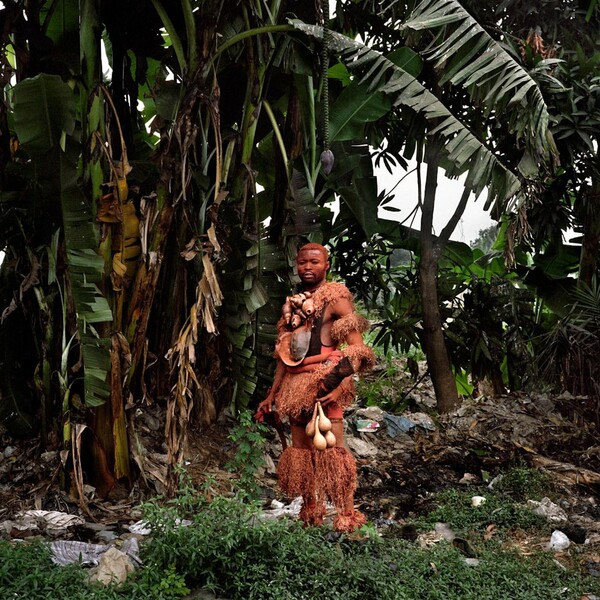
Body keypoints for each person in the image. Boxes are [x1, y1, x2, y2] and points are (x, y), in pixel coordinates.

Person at [255, 243, 374, 532]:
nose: (308, 267)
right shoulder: (293, 304)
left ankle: (346, 515)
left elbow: (357, 349)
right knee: (302, 453)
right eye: (303, 262)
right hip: (295, 388)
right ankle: (311, 512)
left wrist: (341, 384)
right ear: (296, 264)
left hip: (323, 384)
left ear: (326, 265)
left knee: (334, 454)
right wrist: (272, 395)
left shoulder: (336, 298)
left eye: (314, 262)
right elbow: (285, 356)